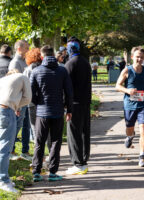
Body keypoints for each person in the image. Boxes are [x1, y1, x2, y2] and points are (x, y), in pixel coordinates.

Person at [31, 45, 73, 182]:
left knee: (39, 141)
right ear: (54, 55)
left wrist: (39, 103)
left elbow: (32, 94)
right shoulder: (62, 71)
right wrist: (69, 109)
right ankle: (53, 172)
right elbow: (68, 92)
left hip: (41, 112)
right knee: (56, 141)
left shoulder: (36, 71)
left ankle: (36, 171)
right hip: (57, 111)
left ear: (42, 56)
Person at [115, 46, 144, 167]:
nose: (140, 59)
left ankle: (142, 156)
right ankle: (130, 136)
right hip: (130, 105)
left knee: (143, 130)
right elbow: (117, 86)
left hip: (143, 104)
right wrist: (128, 91)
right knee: (129, 128)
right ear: (132, 57)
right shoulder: (127, 70)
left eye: (142, 57)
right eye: (137, 57)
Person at [0, 69, 31, 193]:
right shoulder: (23, 76)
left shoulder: (3, 79)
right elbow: (28, 98)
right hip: (7, 111)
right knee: (5, 147)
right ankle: (3, 180)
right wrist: (17, 106)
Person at [65, 37, 91, 175]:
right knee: (84, 133)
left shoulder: (70, 64)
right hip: (85, 103)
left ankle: (78, 163)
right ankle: (83, 161)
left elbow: (67, 88)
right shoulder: (85, 62)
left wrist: (67, 106)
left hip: (75, 104)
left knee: (74, 134)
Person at [8, 40, 30, 160]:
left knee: (25, 126)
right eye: (26, 47)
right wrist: (18, 105)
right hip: (19, 102)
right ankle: (10, 150)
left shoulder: (23, 61)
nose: (28, 50)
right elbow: (15, 85)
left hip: (25, 100)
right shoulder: (15, 62)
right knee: (17, 125)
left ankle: (25, 151)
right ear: (19, 49)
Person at [23, 48, 42, 142]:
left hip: (31, 102)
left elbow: (25, 86)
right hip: (43, 102)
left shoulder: (28, 70)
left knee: (34, 128)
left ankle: (38, 151)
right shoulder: (44, 67)